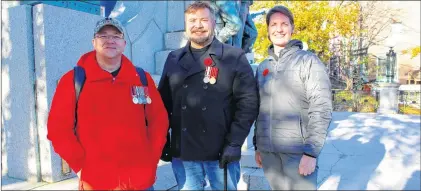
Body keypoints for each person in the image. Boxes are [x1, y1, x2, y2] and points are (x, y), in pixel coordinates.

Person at [47, 17, 169, 190]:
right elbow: (58, 128)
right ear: (94, 42)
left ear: (124, 43)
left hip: (139, 180)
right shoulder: (73, 80)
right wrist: (79, 165)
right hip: (96, 182)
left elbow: (159, 120)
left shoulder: (141, 79)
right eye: (103, 36)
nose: (110, 40)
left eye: (116, 36)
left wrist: (152, 158)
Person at [158, 1, 259, 190]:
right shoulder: (174, 58)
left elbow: (248, 104)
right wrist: (163, 140)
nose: (198, 25)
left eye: (204, 20)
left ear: (214, 23)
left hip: (221, 151)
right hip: (184, 152)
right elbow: (162, 103)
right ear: (186, 25)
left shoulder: (233, 56)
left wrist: (235, 143)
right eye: (192, 20)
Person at [253, 5, 333, 190]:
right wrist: (258, 146)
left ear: (292, 28)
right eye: (274, 24)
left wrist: (311, 153)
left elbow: (321, 107)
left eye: (284, 24)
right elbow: (260, 109)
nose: (279, 29)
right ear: (268, 30)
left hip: (298, 152)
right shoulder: (263, 67)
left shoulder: (308, 61)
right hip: (269, 153)